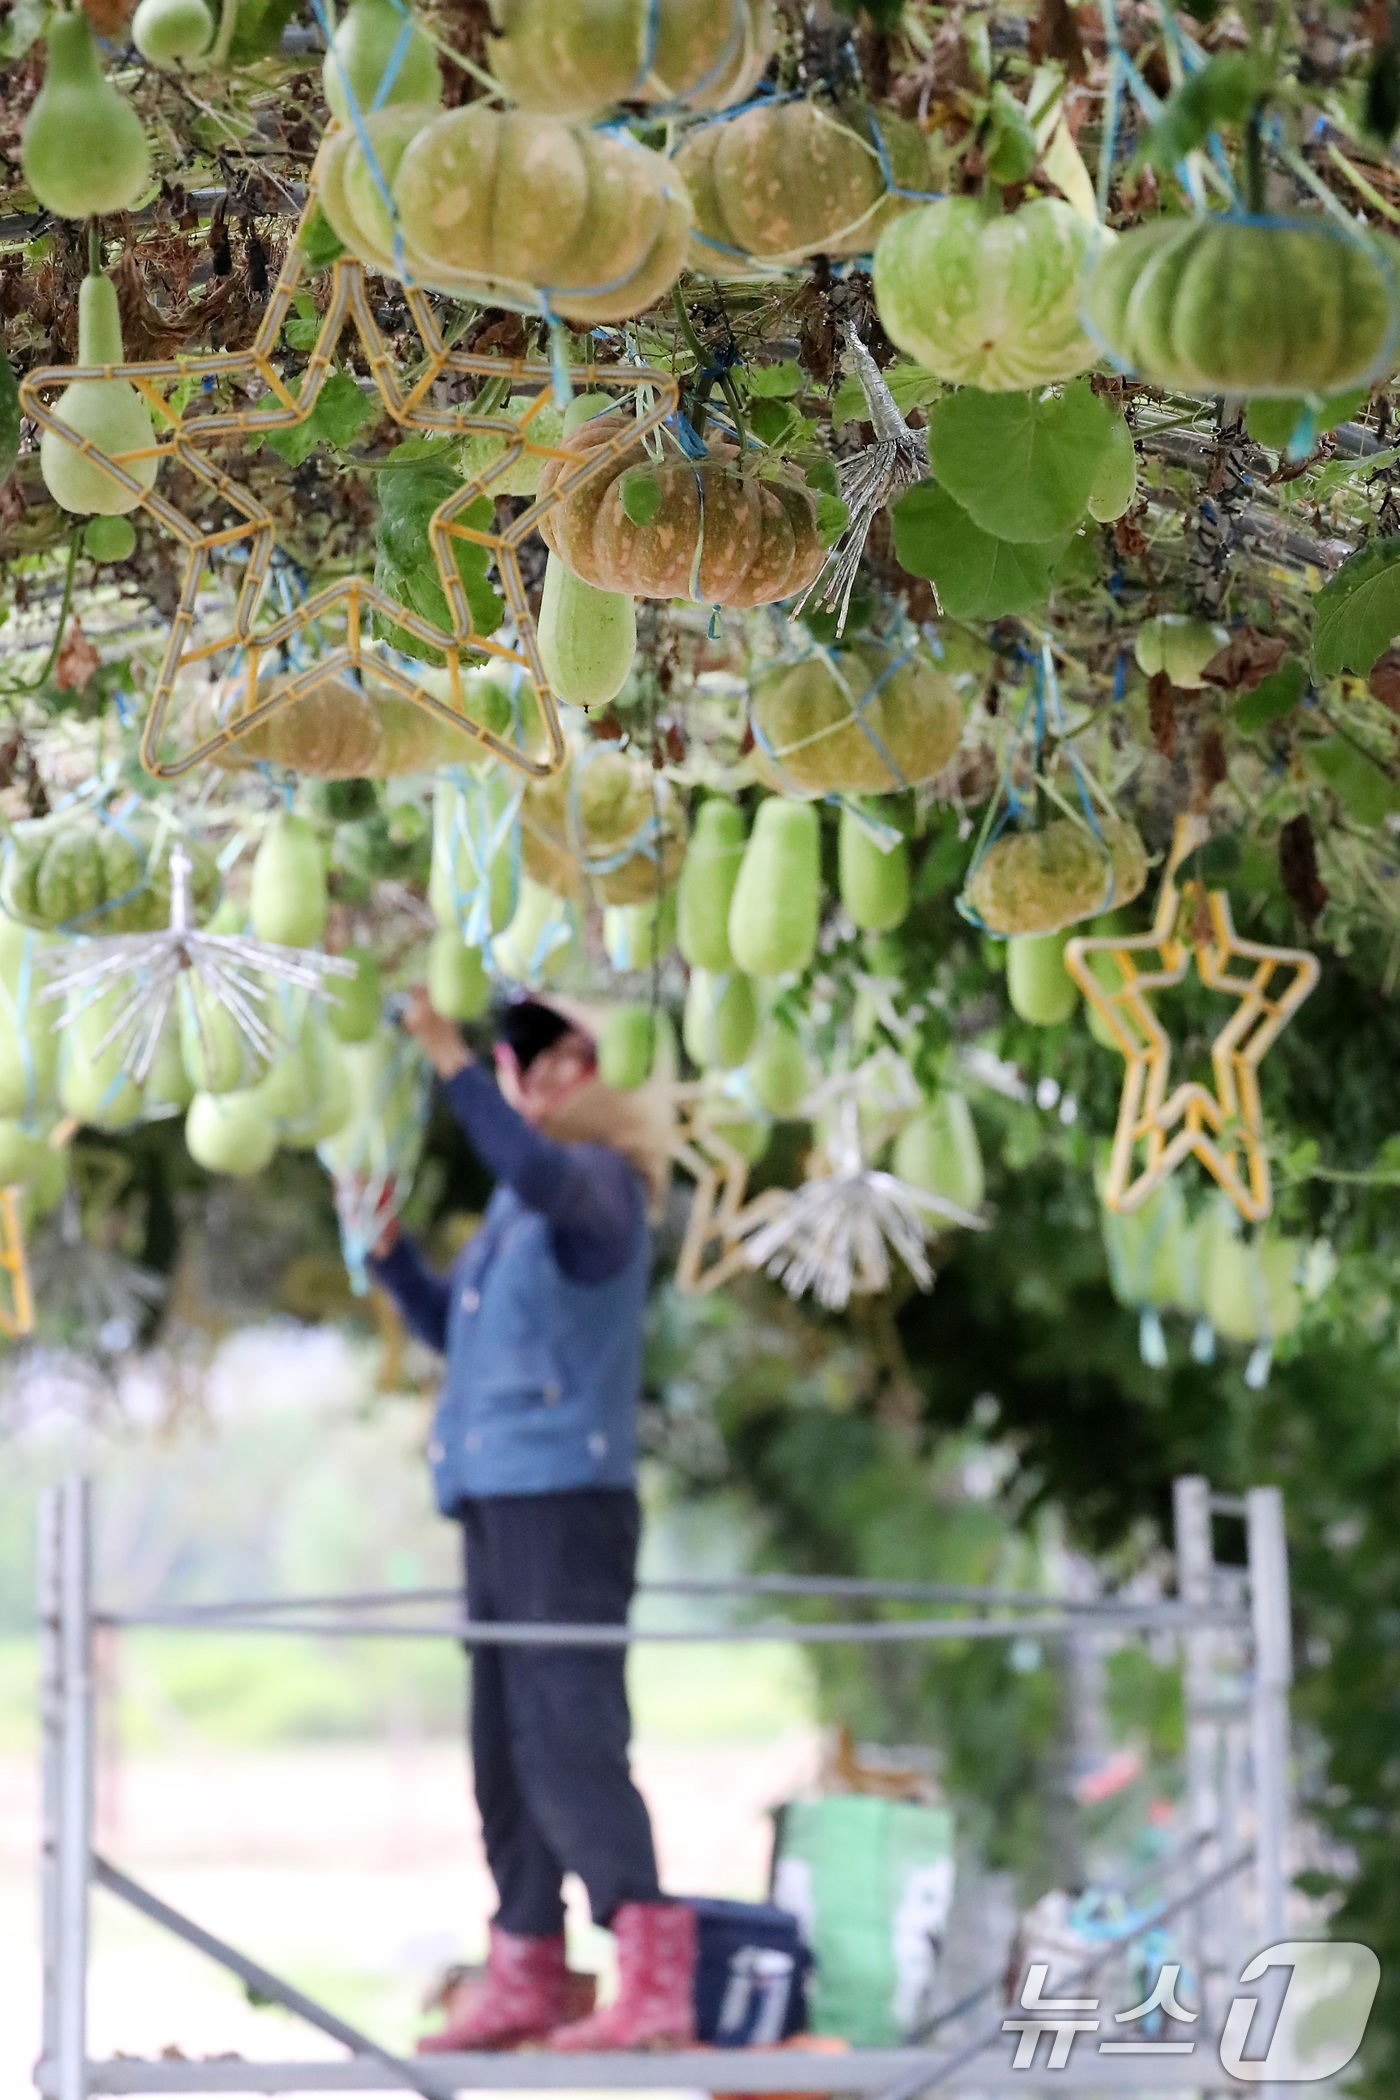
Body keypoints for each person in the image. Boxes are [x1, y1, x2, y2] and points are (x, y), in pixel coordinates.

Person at [369, 986, 693, 2054]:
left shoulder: (602, 1187)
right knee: (502, 1748)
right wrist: (387, 1256)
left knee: (567, 1736)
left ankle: (650, 1969)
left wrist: (449, 1060)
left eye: (572, 1057)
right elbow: (445, 1329)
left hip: (564, 1497)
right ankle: (525, 1964)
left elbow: (535, 1165)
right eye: (530, 1061)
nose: (545, 1077)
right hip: (498, 1495)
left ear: (620, 1077)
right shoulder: (522, 1213)